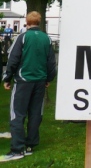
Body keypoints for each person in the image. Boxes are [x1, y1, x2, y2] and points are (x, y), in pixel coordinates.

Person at [0, 11, 57, 162]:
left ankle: (17, 149)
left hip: (23, 80)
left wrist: (7, 78)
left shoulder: (22, 37)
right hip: (40, 81)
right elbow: (51, 62)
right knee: (35, 113)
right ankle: (30, 145)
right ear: (39, 22)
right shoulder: (46, 38)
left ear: (27, 22)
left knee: (17, 114)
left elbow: (13, 58)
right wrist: (48, 78)